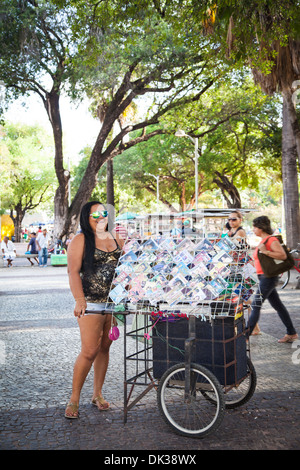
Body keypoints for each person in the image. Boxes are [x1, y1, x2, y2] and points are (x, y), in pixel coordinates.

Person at [65, 201, 125, 419]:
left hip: (113, 303)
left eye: (104, 213)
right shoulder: (80, 240)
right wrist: (79, 299)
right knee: (89, 350)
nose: (101, 217)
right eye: (96, 214)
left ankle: (97, 394)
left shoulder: (117, 237)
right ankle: (74, 399)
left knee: (104, 348)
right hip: (90, 302)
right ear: (86, 218)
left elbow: (125, 268)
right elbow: (73, 272)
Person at [247, 216, 298, 343]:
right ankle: (291, 333)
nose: (253, 230)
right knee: (278, 306)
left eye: (254, 227)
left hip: (268, 278)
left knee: (255, 305)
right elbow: (261, 261)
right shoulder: (262, 241)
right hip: (264, 277)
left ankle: (245, 336)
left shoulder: (271, 240)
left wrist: (266, 252)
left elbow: (282, 255)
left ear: (261, 227)